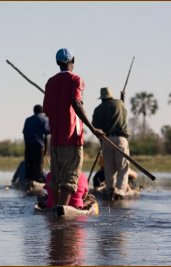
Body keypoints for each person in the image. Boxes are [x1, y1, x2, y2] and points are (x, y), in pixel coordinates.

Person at [43, 48, 104, 206]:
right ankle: (61, 211)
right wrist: (92, 128)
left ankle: (55, 210)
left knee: (56, 178)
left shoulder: (50, 82)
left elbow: (47, 110)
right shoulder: (77, 80)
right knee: (70, 178)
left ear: (58, 63)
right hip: (72, 137)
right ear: (73, 61)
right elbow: (76, 102)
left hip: (55, 139)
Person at [92, 87, 130, 199]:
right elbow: (123, 113)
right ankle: (120, 192)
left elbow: (95, 127)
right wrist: (123, 99)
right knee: (122, 167)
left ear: (102, 98)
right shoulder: (119, 103)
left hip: (106, 140)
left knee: (109, 167)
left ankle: (110, 189)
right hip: (120, 139)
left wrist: (101, 141)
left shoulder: (98, 109)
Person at [22, 104, 50, 185]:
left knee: (29, 162)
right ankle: (38, 179)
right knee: (38, 163)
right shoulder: (44, 119)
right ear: (42, 111)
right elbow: (47, 133)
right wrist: (46, 149)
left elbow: (24, 133)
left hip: (28, 144)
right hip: (38, 145)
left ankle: (29, 179)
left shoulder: (28, 120)